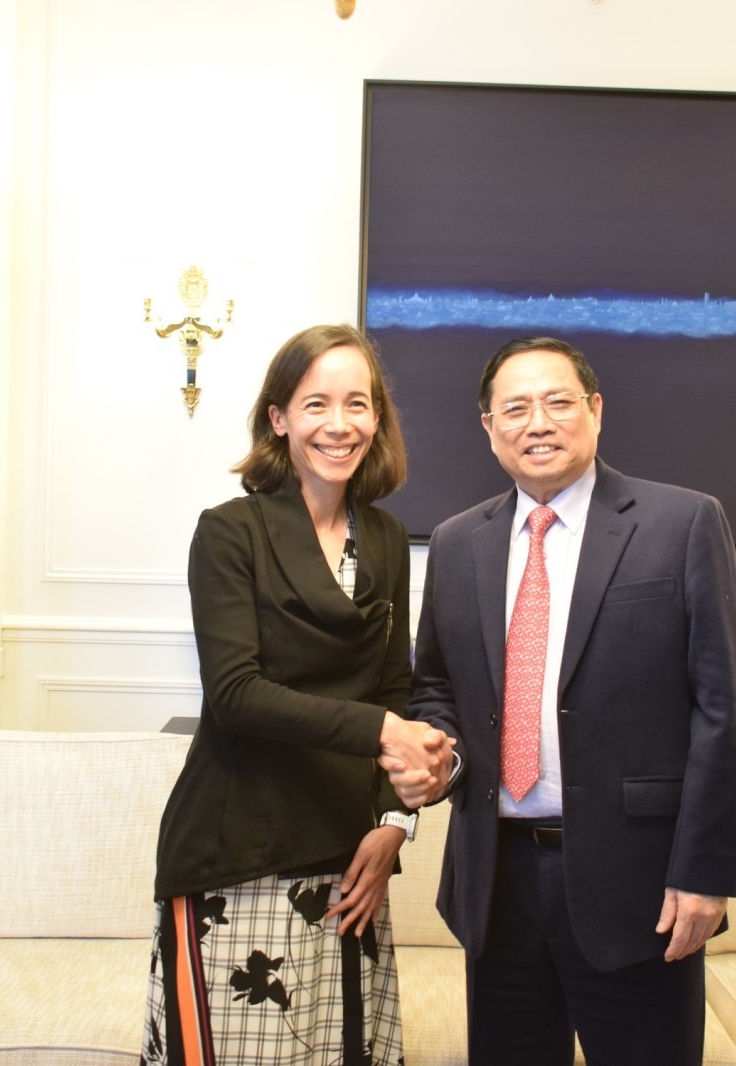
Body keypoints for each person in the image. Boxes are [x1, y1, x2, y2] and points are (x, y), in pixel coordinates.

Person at [393, 336, 736, 1066]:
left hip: (638, 885)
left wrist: (705, 873)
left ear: (595, 411)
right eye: (516, 408)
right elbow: (436, 685)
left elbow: (726, 712)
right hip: (495, 881)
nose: (538, 423)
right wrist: (442, 760)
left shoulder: (682, 523)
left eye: (558, 402)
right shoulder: (459, 542)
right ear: (489, 427)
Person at [146, 323, 449, 1066]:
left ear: (377, 419)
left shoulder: (387, 537)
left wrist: (394, 822)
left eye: (357, 404)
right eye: (316, 404)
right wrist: (382, 731)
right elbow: (236, 695)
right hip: (237, 850)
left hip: (347, 855)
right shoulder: (229, 533)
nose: (338, 424)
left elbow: (396, 687)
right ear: (279, 418)